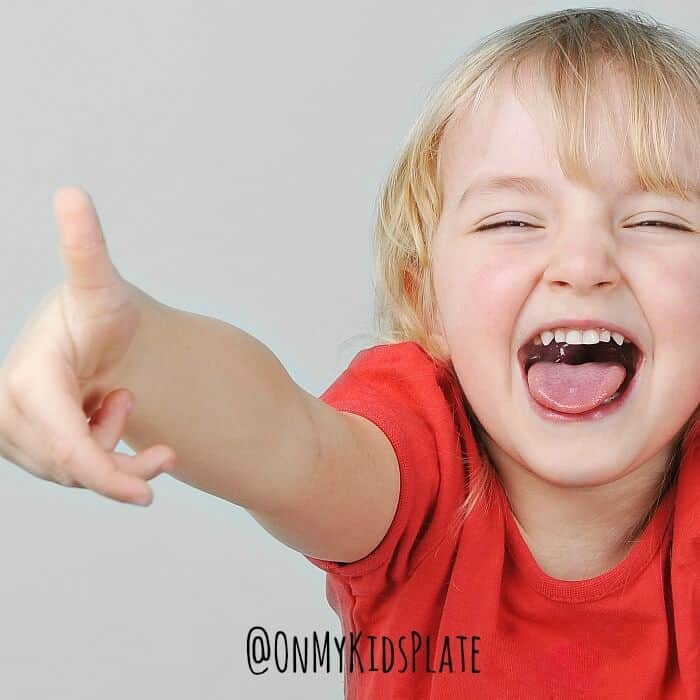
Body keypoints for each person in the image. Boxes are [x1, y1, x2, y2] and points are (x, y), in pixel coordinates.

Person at [0, 7, 698, 699]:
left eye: (657, 220)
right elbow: (290, 446)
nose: (582, 262)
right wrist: (133, 356)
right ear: (422, 295)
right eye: (511, 219)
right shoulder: (419, 460)